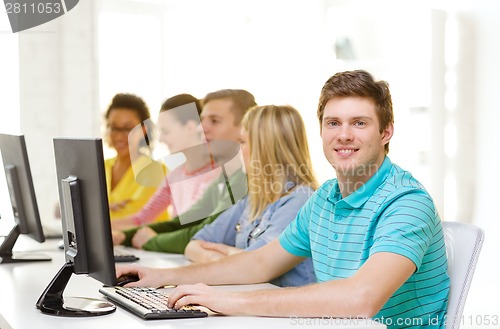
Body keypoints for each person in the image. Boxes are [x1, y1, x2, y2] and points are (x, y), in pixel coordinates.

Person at [116, 70, 451, 328]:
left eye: (359, 123)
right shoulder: (325, 199)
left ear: (386, 131)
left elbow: (361, 298)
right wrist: (162, 277)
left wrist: (229, 301)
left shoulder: (407, 203)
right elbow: (260, 262)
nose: (344, 134)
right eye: (333, 122)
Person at [184, 105, 318, 287]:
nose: (239, 149)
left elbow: (258, 265)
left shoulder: (299, 201)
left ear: (265, 148)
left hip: (290, 312)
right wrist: (220, 258)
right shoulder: (254, 199)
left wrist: (231, 258)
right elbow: (195, 244)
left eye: (243, 142)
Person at [112, 89, 256, 253]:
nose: (201, 128)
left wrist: (151, 241)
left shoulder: (246, 179)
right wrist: (125, 236)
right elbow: (184, 222)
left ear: (245, 127)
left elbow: (202, 234)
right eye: (202, 121)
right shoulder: (224, 179)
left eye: (214, 121)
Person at [111, 94, 220, 231]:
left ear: (191, 128)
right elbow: (142, 218)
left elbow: (193, 229)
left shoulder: (216, 175)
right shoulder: (175, 176)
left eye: (166, 131)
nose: (161, 139)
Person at [104, 93, 168, 222]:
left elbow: (136, 218)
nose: (119, 136)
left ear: (143, 130)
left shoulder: (155, 170)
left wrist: (98, 210)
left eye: (128, 128)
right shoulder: (99, 166)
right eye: (114, 128)